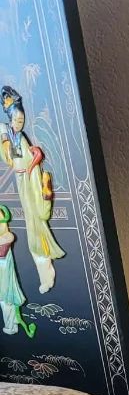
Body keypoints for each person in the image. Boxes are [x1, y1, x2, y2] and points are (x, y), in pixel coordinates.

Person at [1, 87, 64, 293]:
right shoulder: (9, 136)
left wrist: (32, 169)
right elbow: (10, 158)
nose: (19, 124)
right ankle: (45, 275)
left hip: (30, 180)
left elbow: (32, 158)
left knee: (38, 222)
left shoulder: (22, 139)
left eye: (21, 120)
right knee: (31, 226)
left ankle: (47, 276)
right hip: (22, 182)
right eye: (16, 121)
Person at [0, 204, 35, 337]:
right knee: (4, 303)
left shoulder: (7, 236)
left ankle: (11, 326)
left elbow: (2, 252)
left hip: (4, 275)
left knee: (5, 301)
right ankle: (12, 324)